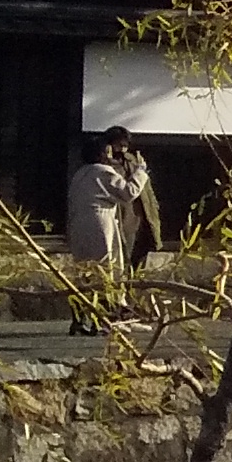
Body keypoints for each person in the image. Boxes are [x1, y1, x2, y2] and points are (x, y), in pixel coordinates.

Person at [62, 128, 164, 333]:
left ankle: (81, 318)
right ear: (101, 153)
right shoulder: (103, 171)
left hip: (78, 224)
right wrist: (141, 171)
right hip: (100, 222)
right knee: (106, 269)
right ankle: (107, 319)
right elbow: (129, 192)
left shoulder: (79, 174)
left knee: (85, 271)